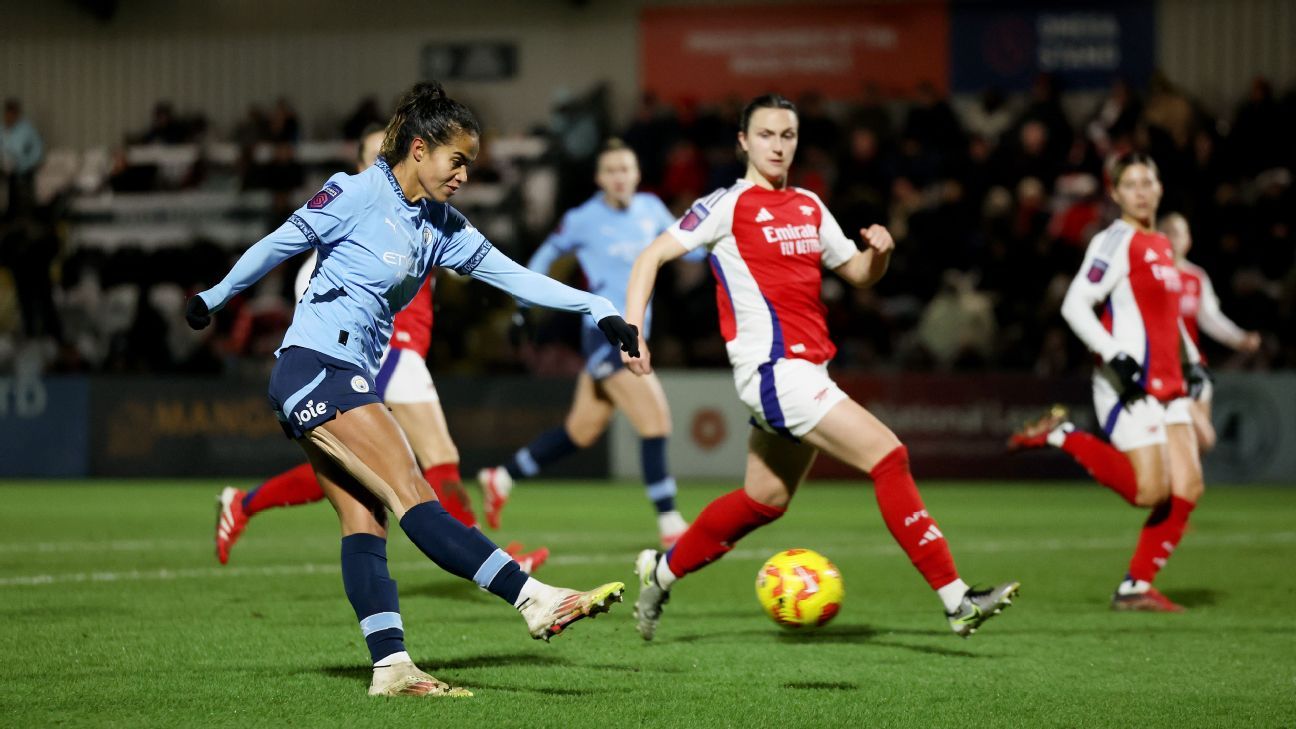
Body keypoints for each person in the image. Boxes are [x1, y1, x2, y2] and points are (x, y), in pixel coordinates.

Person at [186, 82, 639, 697]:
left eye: (470, 165)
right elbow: (280, 243)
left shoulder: (440, 226)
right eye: (457, 161)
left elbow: (515, 276)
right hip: (315, 367)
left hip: (343, 373)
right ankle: (534, 600)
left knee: (365, 521)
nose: (463, 175)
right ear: (420, 149)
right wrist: (214, 297)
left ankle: (392, 668)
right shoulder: (356, 193)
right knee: (413, 491)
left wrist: (598, 306)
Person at [622, 94, 1019, 642]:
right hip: (776, 372)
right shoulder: (726, 204)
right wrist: (632, 330)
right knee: (889, 456)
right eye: (766, 135)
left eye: (787, 135)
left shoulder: (809, 204)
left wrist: (877, 253)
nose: (778, 145)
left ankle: (659, 572)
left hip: (808, 373)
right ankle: (957, 600)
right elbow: (650, 258)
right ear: (743, 141)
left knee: (763, 502)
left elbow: (857, 272)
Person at [215, 125, 547, 573]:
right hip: (384, 355)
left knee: (362, 469)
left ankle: (245, 502)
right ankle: (498, 563)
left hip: (401, 352)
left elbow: (469, 265)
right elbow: (311, 300)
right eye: (376, 155)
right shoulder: (349, 220)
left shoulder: (424, 219)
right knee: (436, 457)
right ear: (362, 166)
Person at [1010, 153, 1209, 612]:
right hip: (1129, 383)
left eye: (1148, 181)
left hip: (1170, 382)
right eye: (1131, 184)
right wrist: (1114, 354)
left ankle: (1135, 587)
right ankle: (1060, 433)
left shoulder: (1160, 243)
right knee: (1150, 493)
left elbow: (1168, 316)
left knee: (1189, 488)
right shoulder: (1115, 240)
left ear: (1160, 188)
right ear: (1116, 194)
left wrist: (1193, 359)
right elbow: (1076, 304)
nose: (1141, 191)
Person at [477, 139, 690, 547]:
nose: (620, 177)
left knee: (581, 432)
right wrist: (524, 307)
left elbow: (688, 251)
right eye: (611, 171)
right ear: (599, 178)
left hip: (636, 333)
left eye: (626, 169)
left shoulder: (651, 209)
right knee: (656, 421)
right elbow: (543, 256)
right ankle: (670, 523)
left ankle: (500, 478)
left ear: (637, 174)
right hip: (606, 335)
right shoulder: (582, 218)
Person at [1160, 212, 1262, 451]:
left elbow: (1210, 318)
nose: (1175, 239)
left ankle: (1180, 487)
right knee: (1202, 436)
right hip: (1162, 367)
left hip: (1194, 367)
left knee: (1199, 444)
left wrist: (1239, 338)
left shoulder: (1195, 277)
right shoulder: (1152, 275)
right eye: (1169, 232)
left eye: (1180, 233)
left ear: (1189, 240)